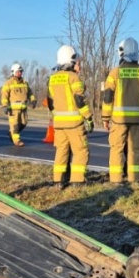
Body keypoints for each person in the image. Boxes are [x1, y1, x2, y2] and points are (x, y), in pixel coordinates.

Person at [101, 37, 139, 183]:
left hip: (119, 120)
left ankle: (116, 180)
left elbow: (107, 98)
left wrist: (105, 118)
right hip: (138, 120)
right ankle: (134, 179)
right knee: (134, 151)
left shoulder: (115, 73)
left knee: (116, 149)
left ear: (121, 53)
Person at [46, 44, 92, 189]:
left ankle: (58, 181)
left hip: (58, 124)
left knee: (61, 151)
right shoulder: (74, 78)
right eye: (77, 61)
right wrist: (88, 117)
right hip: (74, 124)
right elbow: (79, 100)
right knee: (80, 151)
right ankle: (77, 181)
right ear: (71, 61)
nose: (79, 64)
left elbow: (50, 102)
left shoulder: (52, 79)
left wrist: (56, 117)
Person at [0, 63, 34, 146]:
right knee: (15, 126)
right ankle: (17, 141)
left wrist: (33, 100)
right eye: (18, 71)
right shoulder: (8, 83)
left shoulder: (25, 83)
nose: (20, 73)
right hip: (13, 110)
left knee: (24, 123)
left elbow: (30, 93)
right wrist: (4, 106)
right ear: (13, 72)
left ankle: (11, 133)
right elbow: (4, 95)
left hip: (23, 109)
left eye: (21, 71)